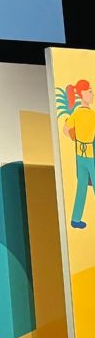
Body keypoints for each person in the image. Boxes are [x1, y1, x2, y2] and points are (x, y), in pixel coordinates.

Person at [63, 80, 94, 229]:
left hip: (79, 155)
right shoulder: (92, 115)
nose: (92, 94)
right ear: (82, 93)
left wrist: (75, 135)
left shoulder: (76, 113)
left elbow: (65, 130)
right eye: (90, 91)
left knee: (81, 186)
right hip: (91, 155)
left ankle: (75, 219)